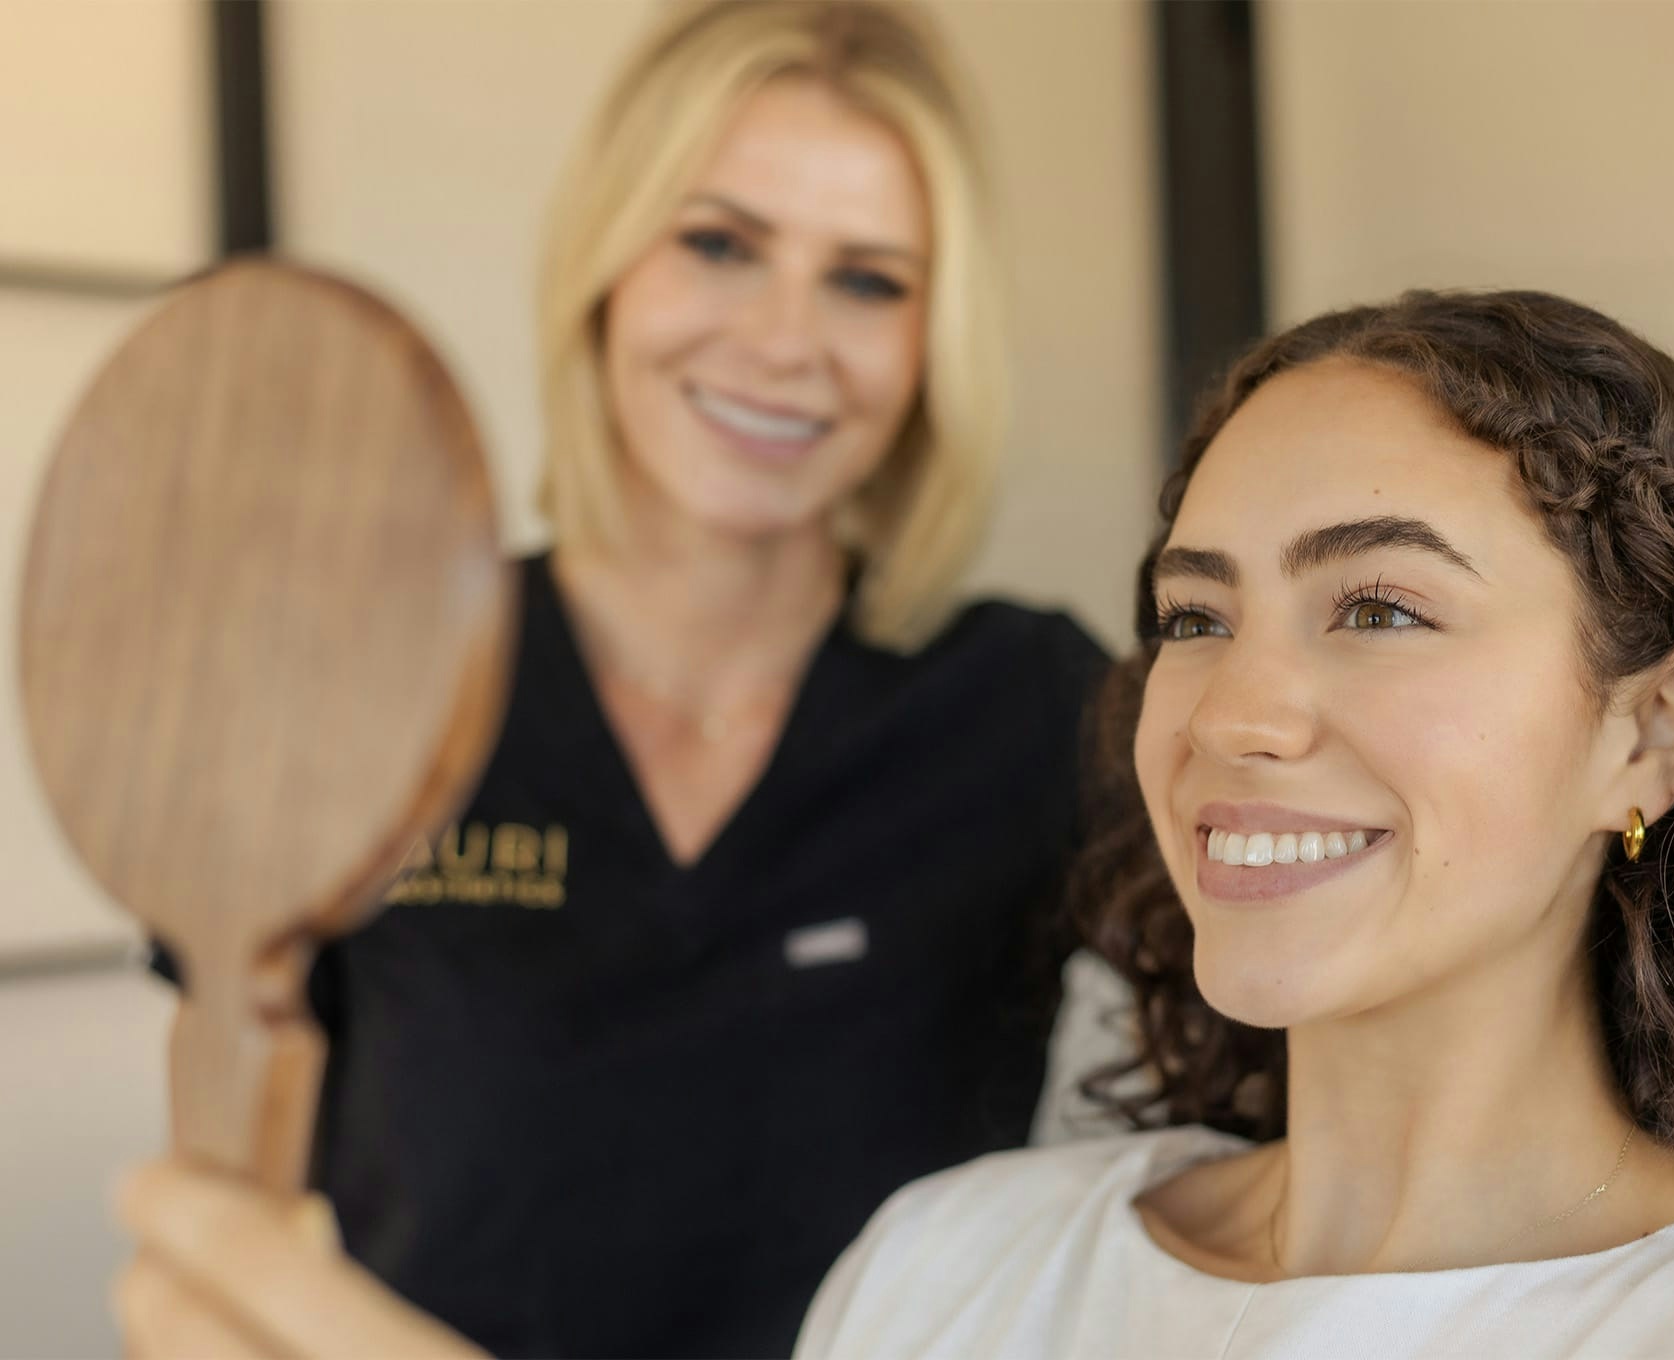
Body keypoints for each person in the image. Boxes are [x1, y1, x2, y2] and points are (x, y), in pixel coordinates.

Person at [118, 291, 1674, 1359]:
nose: (1238, 711)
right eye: (1196, 616)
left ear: (1652, 733)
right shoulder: (953, 1267)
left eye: (1381, 610)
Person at [150, 3, 1106, 1356]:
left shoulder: (1025, 708)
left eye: (869, 280)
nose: (785, 341)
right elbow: (222, 1235)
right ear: (605, 265)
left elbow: (1314, 1055)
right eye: (718, 244)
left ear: (934, 340)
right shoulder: (373, 679)